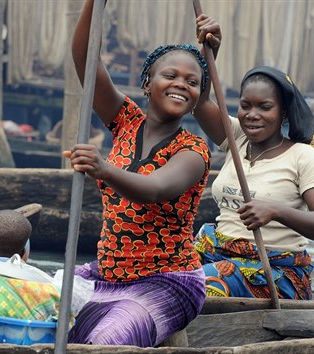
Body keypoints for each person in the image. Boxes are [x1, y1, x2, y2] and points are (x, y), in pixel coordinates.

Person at [62, 0, 214, 347]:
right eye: (171, 75)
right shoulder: (127, 121)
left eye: (192, 82)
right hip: (107, 273)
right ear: (148, 83)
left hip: (167, 281)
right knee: (33, 303)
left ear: (195, 98)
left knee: (107, 340)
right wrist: (93, 4)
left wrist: (103, 168)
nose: (181, 84)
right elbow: (86, 60)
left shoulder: (193, 151)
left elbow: (154, 189)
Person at [191, 15, 314, 300]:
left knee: (202, 284)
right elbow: (200, 103)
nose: (252, 115)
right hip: (217, 254)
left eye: (264, 107)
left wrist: (275, 211)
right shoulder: (236, 139)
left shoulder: (303, 157)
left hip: (271, 273)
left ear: (282, 112)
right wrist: (210, 51)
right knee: (161, 272)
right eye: (245, 106)